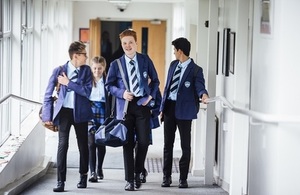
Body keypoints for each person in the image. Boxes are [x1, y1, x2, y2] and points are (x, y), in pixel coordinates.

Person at [105, 29, 160, 191]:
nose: (128, 46)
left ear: (136, 43)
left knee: (143, 142)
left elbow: (155, 81)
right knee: (127, 143)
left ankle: (138, 171)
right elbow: (109, 86)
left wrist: (150, 97)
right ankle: (130, 179)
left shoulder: (145, 60)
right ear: (121, 45)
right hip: (125, 108)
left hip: (142, 105)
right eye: (124, 43)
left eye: (130, 42)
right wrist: (122, 93)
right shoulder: (116, 64)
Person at [41, 41, 93, 192]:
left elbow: (87, 92)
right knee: (63, 145)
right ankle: (60, 181)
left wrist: (68, 83)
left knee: (83, 145)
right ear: (76, 55)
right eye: (84, 54)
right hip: (63, 112)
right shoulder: (59, 70)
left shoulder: (86, 71)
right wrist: (47, 116)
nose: (87, 57)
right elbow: (47, 94)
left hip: (81, 112)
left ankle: (83, 176)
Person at [159, 37, 209, 189]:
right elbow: (167, 87)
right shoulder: (173, 65)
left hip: (185, 111)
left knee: (185, 146)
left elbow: (200, 86)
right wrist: (162, 108)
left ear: (180, 51)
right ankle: (166, 177)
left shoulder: (195, 70)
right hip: (169, 108)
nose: (173, 53)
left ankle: (183, 178)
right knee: (168, 145)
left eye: (174, 50)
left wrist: (203, 95)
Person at [88, 56, 111, 182]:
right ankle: (92, 172)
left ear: (104, 68)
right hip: (90, 111)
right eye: (95, 68)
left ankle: (99, 168)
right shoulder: (88, 80)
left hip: (103, 111)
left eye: (100, 68)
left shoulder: (107, 81)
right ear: (91, 68)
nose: (97, 71)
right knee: (91, 143)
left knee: (101, 142)